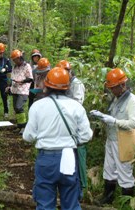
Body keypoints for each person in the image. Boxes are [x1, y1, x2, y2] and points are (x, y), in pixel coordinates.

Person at [23, 67, 93, 210]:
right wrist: (72, 141)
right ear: (68, 87)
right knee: (71, 203)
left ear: (46, 86)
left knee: (45, 204)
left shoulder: (37, 106)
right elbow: (86, 135)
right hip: (69, 157)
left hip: (46, 159)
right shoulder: (76, 107)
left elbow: (28, 136)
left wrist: (43, 136)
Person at [90, 68, 135, 205]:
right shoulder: (116, 99)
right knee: (109, 169)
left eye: (114, 88)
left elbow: (134, 122)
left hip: (124, 140)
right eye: (110, 88)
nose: (112, 90)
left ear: (122, 85)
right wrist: (102, 116)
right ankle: (108, 197)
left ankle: (126, 203)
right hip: (111, 139)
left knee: (125, 172)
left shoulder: (132, 100)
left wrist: (115, 121)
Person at [56, 60, 87, 192]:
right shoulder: (66, 83)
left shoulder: (76, 84)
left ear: (69, 71)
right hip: (66, 125)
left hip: (76, 125)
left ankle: (80, 188)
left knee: (78, 157)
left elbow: (78, 103)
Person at [6, 49, 33, 134]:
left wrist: (22, 81)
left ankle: (24, 126)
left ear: (20, 58)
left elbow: (30, 78)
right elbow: (12, 78)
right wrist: (9, 86)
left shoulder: (27, 66)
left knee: (19, 107)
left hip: (23, 90)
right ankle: (19, 125)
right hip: (15, 90)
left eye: (15, 59)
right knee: (16, 108)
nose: (14, 61)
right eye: (13, 60)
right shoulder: (14, 67)